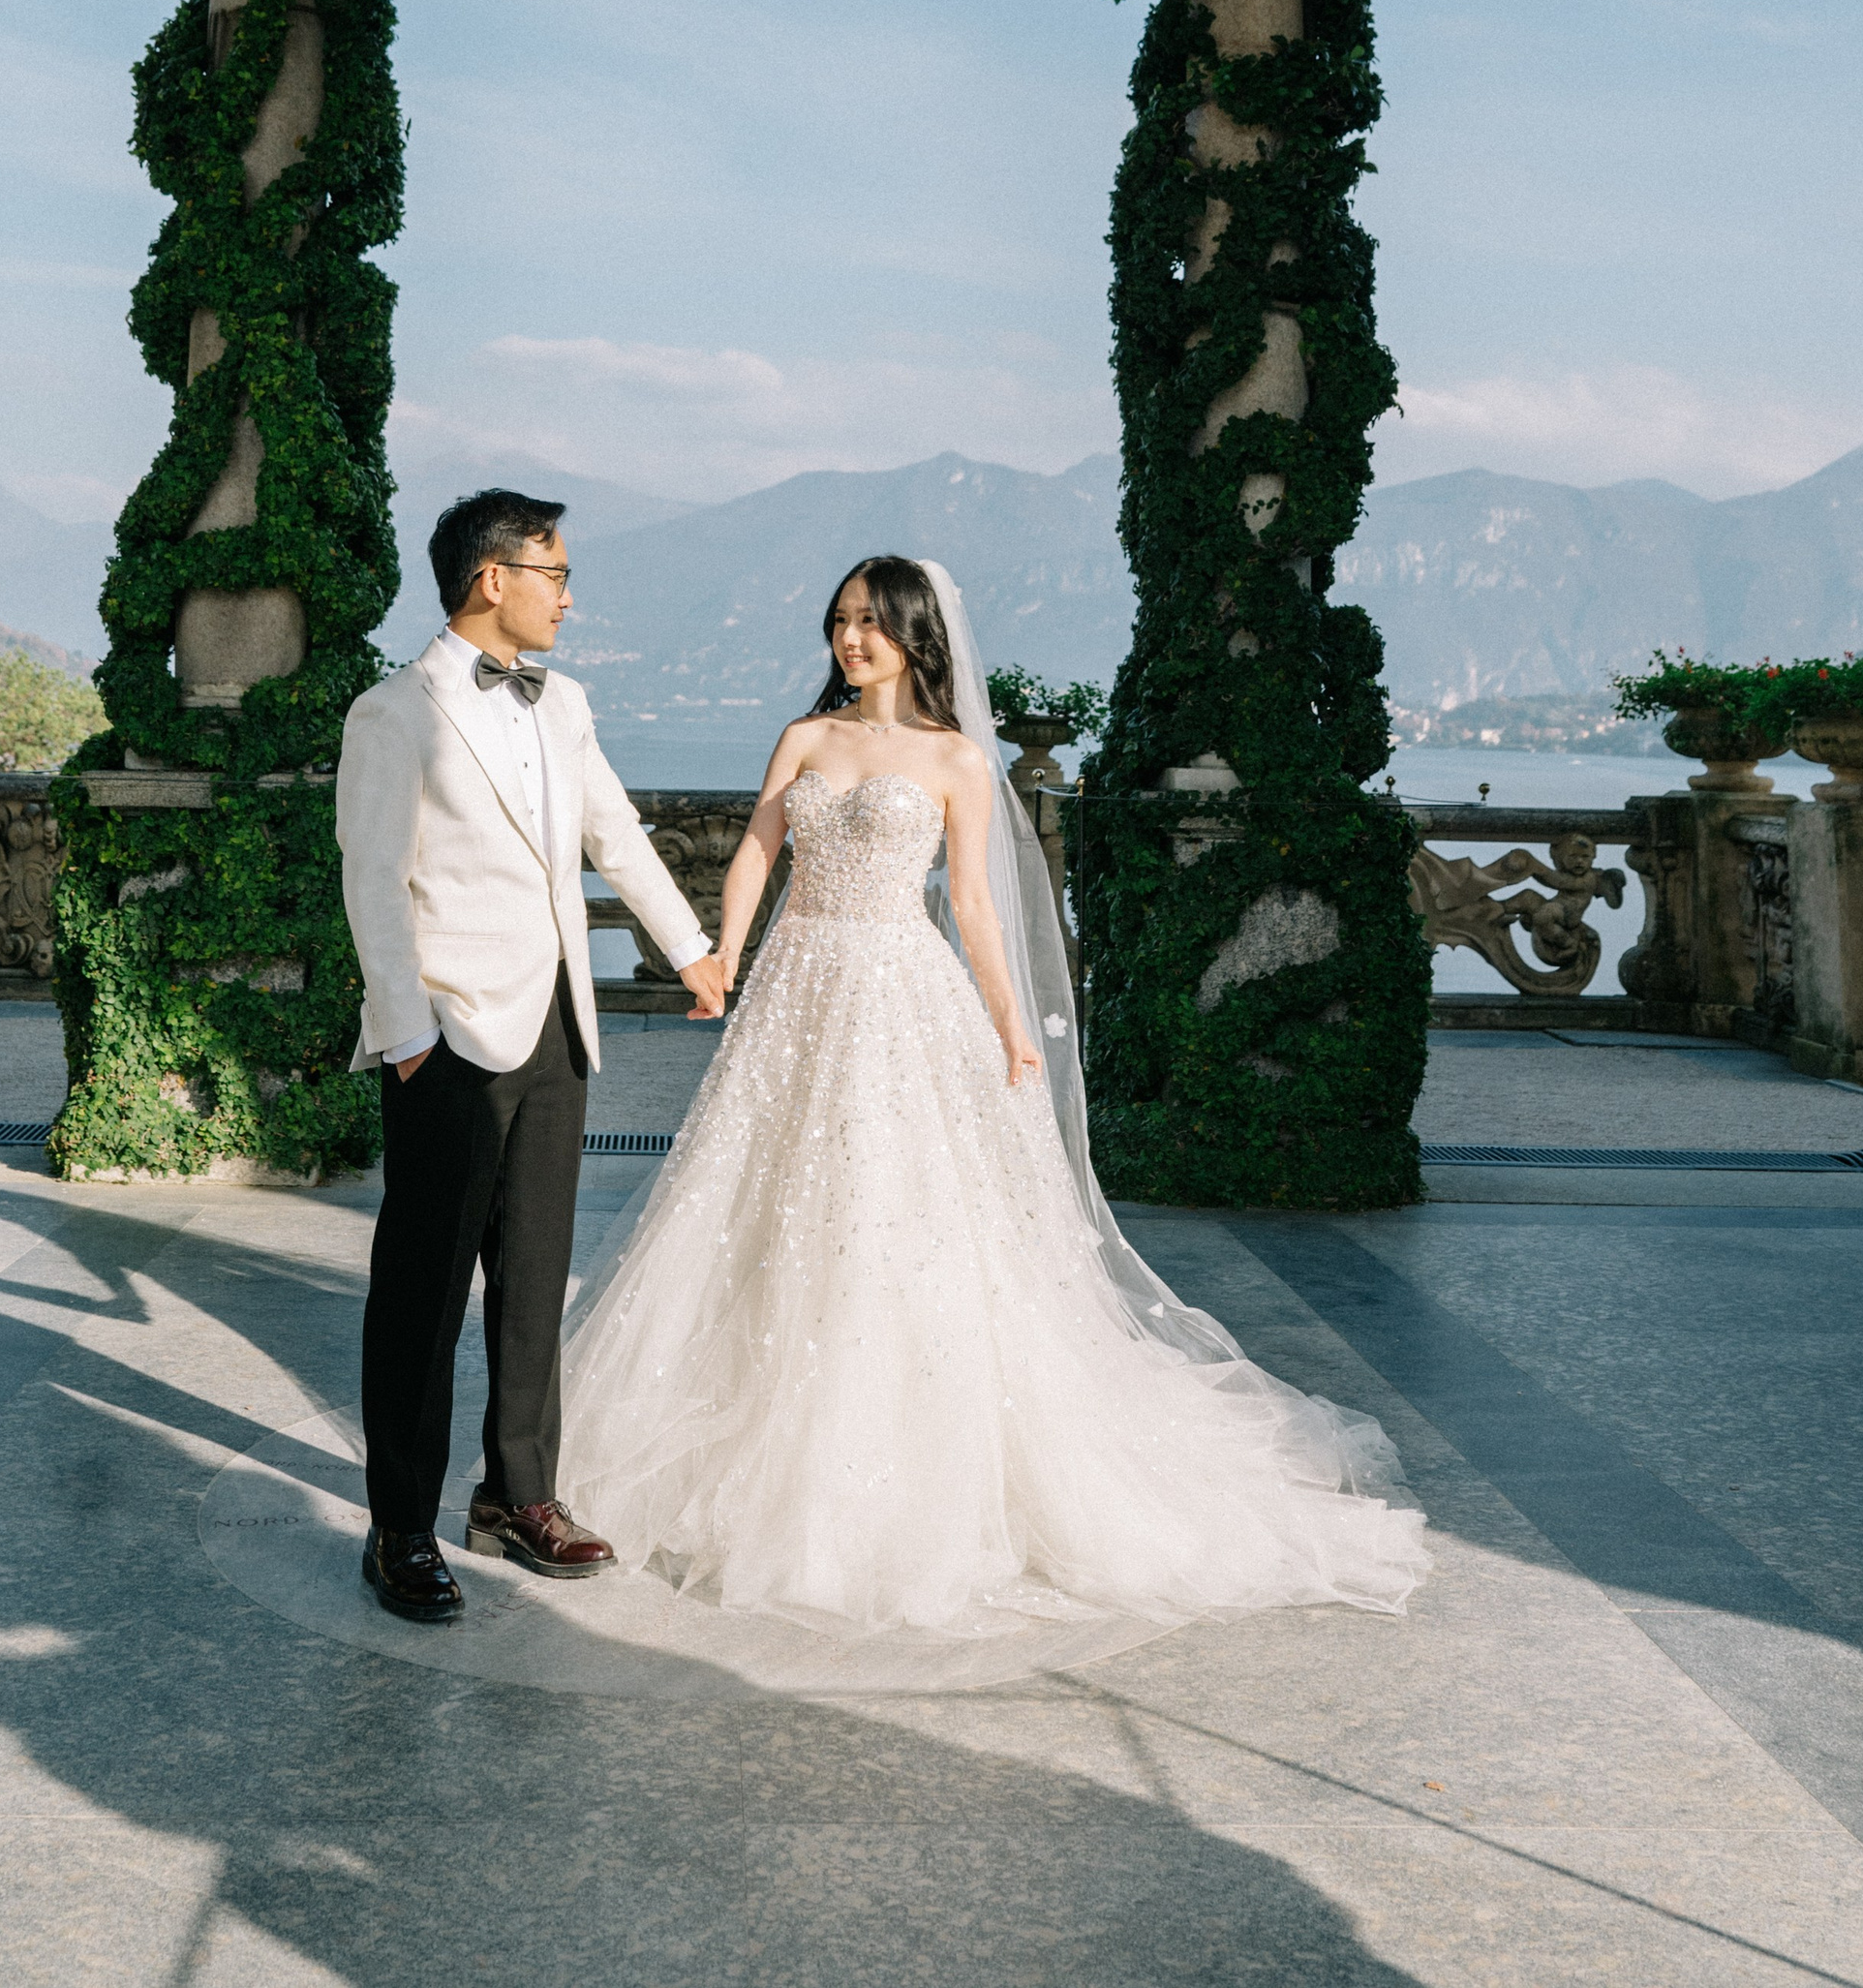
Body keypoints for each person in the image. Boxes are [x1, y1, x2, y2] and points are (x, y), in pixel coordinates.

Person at [557, 553, 1431, 1636]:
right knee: (764, 1196)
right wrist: (725, 952)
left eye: (873, 622)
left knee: (893, 1202)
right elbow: (756, 850)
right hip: (796, 985)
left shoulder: (957, 758)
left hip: (897, 984)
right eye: (840, 619)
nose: (851, 639)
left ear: (915, 634)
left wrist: (1011, 1022)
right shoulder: (805, 737)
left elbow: (971, 899)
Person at [335, 488, 724, 1625]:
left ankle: (517, 1494)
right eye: (554, 573)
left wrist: (692, 949)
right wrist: (408, 1035)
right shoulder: (392, 713)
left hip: (557, 1022)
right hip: (449, 1033)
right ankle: (400, 1526)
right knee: (422, 1289)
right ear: (491, 577)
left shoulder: (567, 702)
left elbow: (616, 834)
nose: (568, 596)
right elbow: (374, 884)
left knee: (535, 1277)